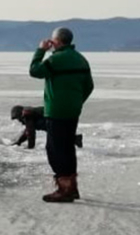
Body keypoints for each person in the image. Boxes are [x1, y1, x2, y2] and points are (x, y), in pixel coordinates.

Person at [28, 27, 94, 202]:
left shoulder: (56, 59)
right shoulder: (81, 59)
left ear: (56, 41)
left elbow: (34, 71)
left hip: (56, 111)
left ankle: (65, 189)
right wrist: (76, 102)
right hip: (72, 111)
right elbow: (89, 86)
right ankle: (72, 187)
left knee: (56, 149)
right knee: (67, 148)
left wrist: (41, 50)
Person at [10, 105, 82, 150]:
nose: (19, 121)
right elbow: (27, 131)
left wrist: (30, 148)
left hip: (54, 119)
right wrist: (19, 142)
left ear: (21, 115)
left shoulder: (27, 115)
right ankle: (75, 139)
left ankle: (74, 139)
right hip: (58, 118)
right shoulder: (30, 114)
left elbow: (30, 132)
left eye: (18, 118)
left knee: (55, 135)